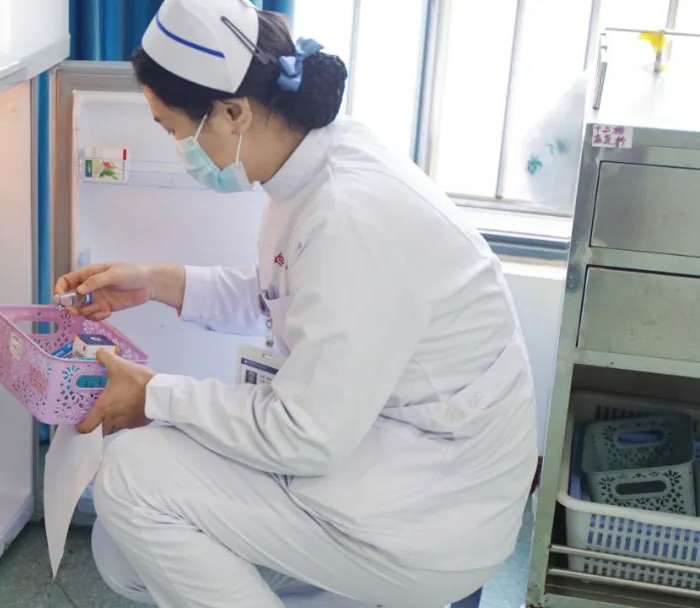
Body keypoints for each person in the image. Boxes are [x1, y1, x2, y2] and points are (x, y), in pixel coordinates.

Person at [54, 1, 538, 606]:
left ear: (233, 112)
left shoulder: (350, 218)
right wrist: (156, 282)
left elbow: (303, 434)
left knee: (131, 479)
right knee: (122, 551)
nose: (178, 147)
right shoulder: (317, 161)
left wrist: (154, 395)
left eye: (173, 129)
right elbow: (287, 293)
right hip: (384, 448)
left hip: (429, 508)